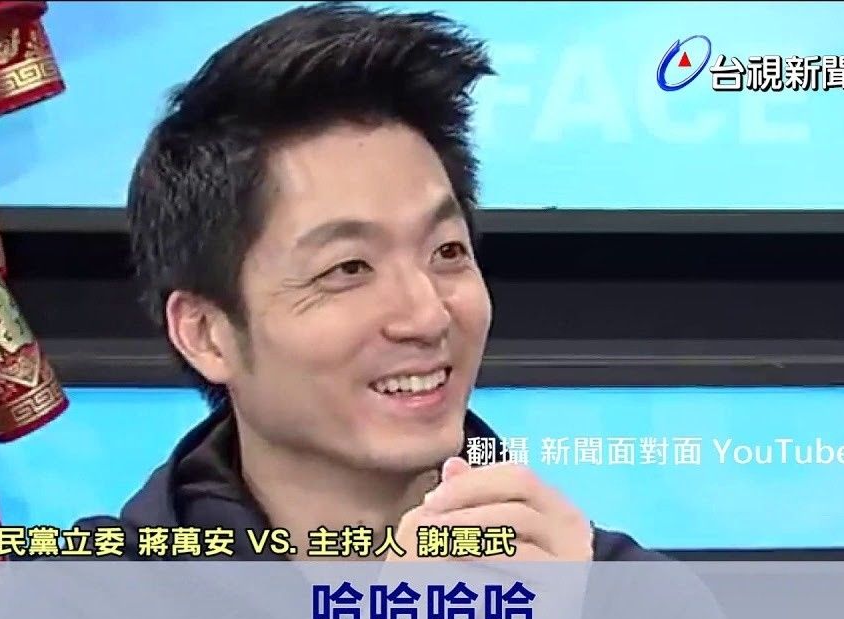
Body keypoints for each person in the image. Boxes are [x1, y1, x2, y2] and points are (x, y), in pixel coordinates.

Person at [79, 1, 662, 564]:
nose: (427, 316)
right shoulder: (75, 606)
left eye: (447, 252)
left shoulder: (619, 596)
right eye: (349, 268)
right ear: (207, 334)